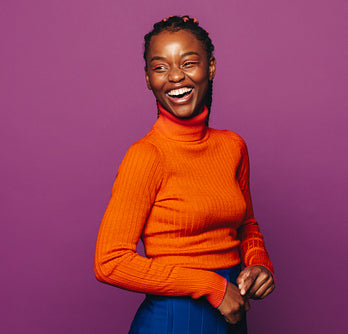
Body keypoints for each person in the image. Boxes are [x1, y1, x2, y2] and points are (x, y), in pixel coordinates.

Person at [94, 15, 275, 334]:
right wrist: (213, 287)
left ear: (211, 67)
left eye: (189, 62)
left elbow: (246, 225)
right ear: (148, 78)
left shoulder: (232, 146)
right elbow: (110, 262)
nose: (175, 76)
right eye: (160, 67)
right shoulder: (147, 155)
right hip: (174, 319)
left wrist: (259, 263)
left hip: (233, 311)